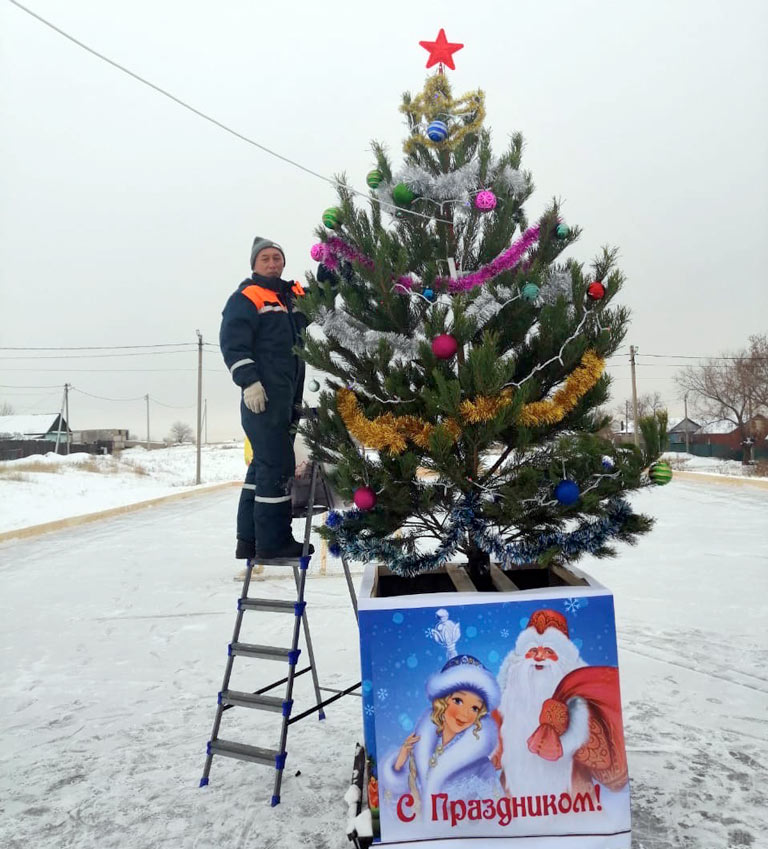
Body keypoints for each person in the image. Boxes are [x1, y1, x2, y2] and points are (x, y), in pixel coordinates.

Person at [220, 236, 314, 560]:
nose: (273, 263)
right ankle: (274, 543)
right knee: (277, 465)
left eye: (277, 258)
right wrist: (249, 382)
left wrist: (336, 261)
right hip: (264, 397)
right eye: (266, 259)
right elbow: (233, 343)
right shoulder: (248, 297)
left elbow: (319, 301)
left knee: (261, 467)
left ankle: (248, 539)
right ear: (254, 264)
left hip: (287, 397)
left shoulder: (291, 297)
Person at [492, 609, 627, 797]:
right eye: (532, 651)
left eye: (548, 651)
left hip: (571, 800)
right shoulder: (507, 703)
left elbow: (601, 759)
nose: (539, 657)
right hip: (515, 803)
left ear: (563, 658)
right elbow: (489, 757)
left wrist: (566, 730)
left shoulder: (579, 702)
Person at [379, 655, 501, 816]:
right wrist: (399, 765)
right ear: (442, 701)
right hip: (418, 838)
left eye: (475, 708)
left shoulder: (481, 766)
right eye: (458, 701)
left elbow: (499, 813)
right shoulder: (419, 748)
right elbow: (394, 811)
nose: (465, 714)